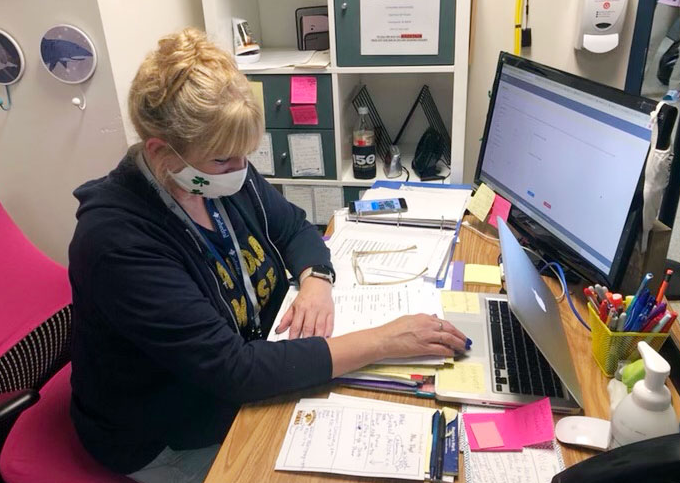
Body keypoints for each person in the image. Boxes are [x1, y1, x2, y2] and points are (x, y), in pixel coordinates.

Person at [68, 27, 470, 483]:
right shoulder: (117, 243)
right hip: (164, 433)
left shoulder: (211, 171)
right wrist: (384, 341)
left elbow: (294, 226)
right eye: (224, 160)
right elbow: (233, 370)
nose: (241, 171)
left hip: (254, 365)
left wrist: (317, 280)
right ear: (162, 152)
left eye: (245, 154)